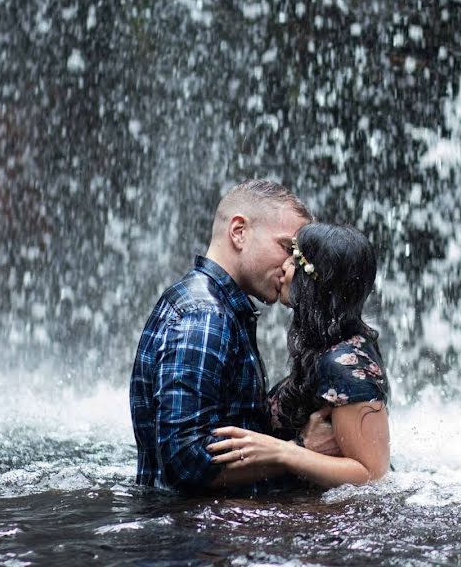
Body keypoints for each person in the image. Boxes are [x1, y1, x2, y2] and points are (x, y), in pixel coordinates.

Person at [130, 179, 339, 496]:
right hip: (198, 539)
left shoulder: (215, 307)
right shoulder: (205, 316)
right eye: (287, 248)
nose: (291, 266)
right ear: (239, 231)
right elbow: (184, 460)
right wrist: (300, 450)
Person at [207, 223, 390, 487]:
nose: (284, 266)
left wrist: (286, 452)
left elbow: (373, 475)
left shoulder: (346, 364)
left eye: (294, 260)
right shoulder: (332, 345)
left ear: (316, 280)